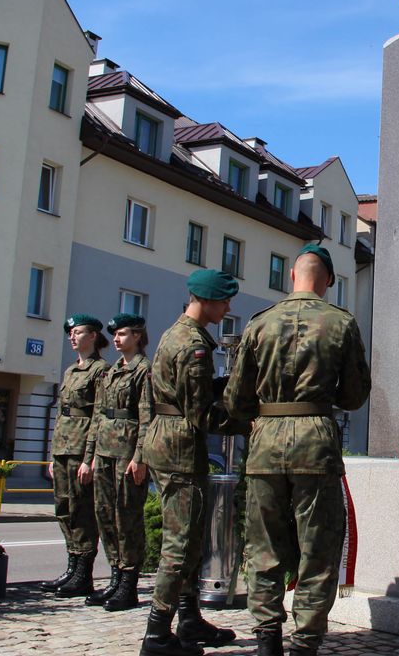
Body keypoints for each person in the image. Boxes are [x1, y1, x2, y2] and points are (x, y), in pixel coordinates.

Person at [223, 243, 371, 656]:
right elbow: (357, 395)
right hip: (315, 442)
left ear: (292, 275)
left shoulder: (259, 323)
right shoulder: (340, 323)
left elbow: (235, 399)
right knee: (318, 548)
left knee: (264, 547)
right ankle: (305, 643)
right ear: (327, 281)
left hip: (265, 443)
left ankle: (267, 640)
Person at [139, 270, 239, 656]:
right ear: (209, 301)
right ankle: (157, 635)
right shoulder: (194, 346)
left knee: (192, 539)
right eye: (225, 301)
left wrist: (222, 384)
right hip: (180, 449)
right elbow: (200, 413)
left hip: (167, 442)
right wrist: (247, 418)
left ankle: (189, 619)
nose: (228, 307)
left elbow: (183, 392)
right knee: (179, 545)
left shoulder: (174, 333)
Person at [82, 313, 152, 611]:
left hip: (127, 453)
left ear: (137, 336)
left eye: (122, 334)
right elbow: (98, 415)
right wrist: (91, 456)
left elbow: (148, 417)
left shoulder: (143, 370)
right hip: (105, 452)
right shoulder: (111, 372)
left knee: (127, 518)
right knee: (105, 514)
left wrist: (140, 457)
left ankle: (128, 584)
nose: (116, 339)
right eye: (115, 334)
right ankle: (114, 576)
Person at [42, 313, 108, 598]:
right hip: (62, 448)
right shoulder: (70, 371)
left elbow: (97, 417)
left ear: (92, 335)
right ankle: (72, 567)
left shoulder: (100, 370)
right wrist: (51, 453)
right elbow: (60, 414)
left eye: (78, 332)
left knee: (82, 511)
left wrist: (89, 458)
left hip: (81, 448)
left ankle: (83, 574)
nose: (72, 337)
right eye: (71, 333)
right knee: (64, 510)